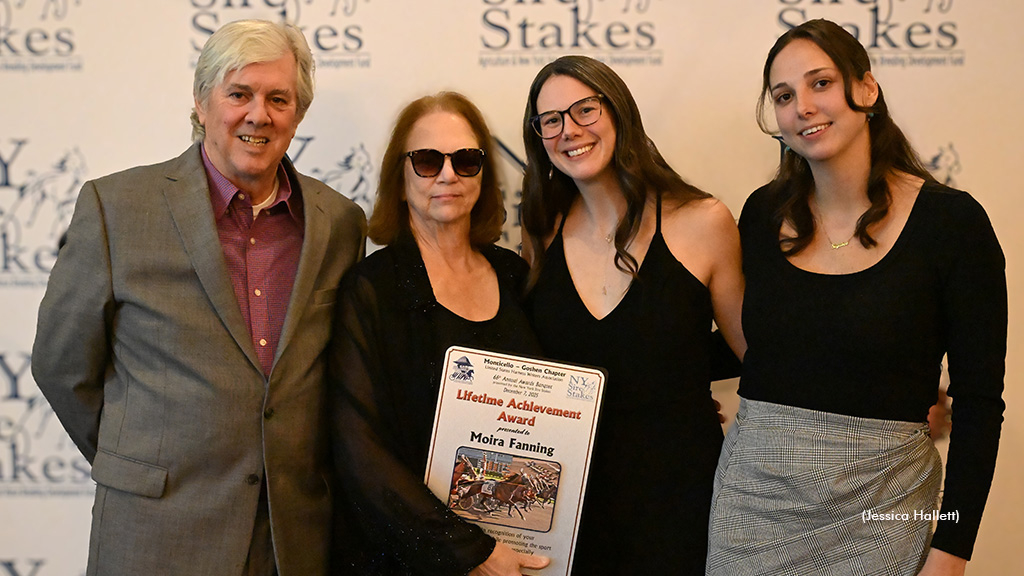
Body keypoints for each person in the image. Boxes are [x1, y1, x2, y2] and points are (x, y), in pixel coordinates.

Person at [31, 20, 366, 576]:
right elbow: (62, 367)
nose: (258, 114)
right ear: (201, 101)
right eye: (238, 94)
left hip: (291, 542)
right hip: (155, 533)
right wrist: (139, 461)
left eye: (278, 98)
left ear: (298, 114)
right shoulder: (115, 209)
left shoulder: (340, 223)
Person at [706, 19, 1006, 576]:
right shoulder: (761, 214)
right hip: (750, 508)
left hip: (888, 511)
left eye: (820, 83)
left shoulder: (953, 224)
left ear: (866, 90)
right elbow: (772, 346)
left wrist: (952, 553)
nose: (803, 107)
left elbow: (979, 404)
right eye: (784, 96)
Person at [520, 55, 746, 574]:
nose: (568, 130)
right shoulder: (541, 232)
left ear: (619, 112)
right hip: (571, 509)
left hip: (683, 501)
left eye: (584, 109)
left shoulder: (703, 221)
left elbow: (756, 353)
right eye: (550, 120)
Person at [326, 92, 550, 576]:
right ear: (400, 177)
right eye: (427, 161)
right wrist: (471, 553)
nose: (448, 175)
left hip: (524, 554)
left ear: (483, 175)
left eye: (466, 160)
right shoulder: (373, 288)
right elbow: (357, 446)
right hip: (413, 560)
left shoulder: (515, 275)